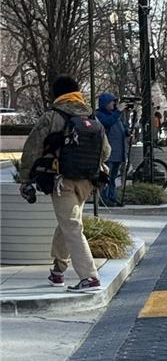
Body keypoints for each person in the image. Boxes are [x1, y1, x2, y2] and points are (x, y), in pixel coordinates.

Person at [16, 75, 111, 292]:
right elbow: (106, 152)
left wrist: (25, 179)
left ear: (56, 94)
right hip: (88, 181)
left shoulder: (52, 116)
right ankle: (58, 270)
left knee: (71, 225)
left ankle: (89, 278)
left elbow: (32, 150)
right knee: (68, 221)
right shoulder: (91, 117)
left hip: (61, 181)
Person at [95, 92, 127, 206]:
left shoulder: (115, 115)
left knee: (113, 177)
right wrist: (118, 111)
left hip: (118, 152)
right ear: (106, 103)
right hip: (108, 152)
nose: (114, 104)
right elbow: (107, 123)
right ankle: (104, 199)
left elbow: (121, 127)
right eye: (112, 102)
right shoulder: (99, 115)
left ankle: (112, 197)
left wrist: (127, 132)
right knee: (106, 177)